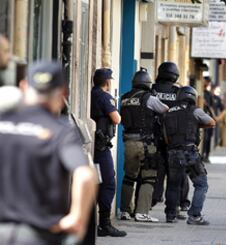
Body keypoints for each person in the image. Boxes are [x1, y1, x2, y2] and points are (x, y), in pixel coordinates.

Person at [0, 62, 97, 244]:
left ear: (24, 86)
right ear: (62, 93)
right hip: (37, 235)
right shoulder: (60, 131)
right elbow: (85, 175)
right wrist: (77, 218)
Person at [119, 68, 169, 222]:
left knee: (129, 177)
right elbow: (165, 109)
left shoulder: (124, 98)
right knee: (149, 177)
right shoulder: (149, 98)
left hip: (128, 143)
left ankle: (124, 211)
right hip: (146, 143)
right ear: (148, 84)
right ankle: (142, 212)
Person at [164, 86, 216, 225]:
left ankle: (170, 215)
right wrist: (197, 125)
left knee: (173, 184)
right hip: (190, 153)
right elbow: (211, 122)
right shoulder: (195, 111)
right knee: (201, 184)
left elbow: (166, 136)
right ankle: (194, 216)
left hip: (173, 152)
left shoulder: (169, 111)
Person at [149, 61, 191, 214]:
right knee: (179, 171)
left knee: (155, 170)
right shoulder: (178, 92)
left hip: (154, 136)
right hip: (174, 138)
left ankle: (152, 199)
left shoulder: (152, 89)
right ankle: (181, 203)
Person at [90, 68, 126, 237]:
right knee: (108, 182)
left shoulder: (92, 93)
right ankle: (104, 224)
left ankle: (97, 223)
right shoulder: (104, 97)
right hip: (101, 147)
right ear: (107, 82)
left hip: (92, 145)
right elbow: (116, 118)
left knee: (96, 183)